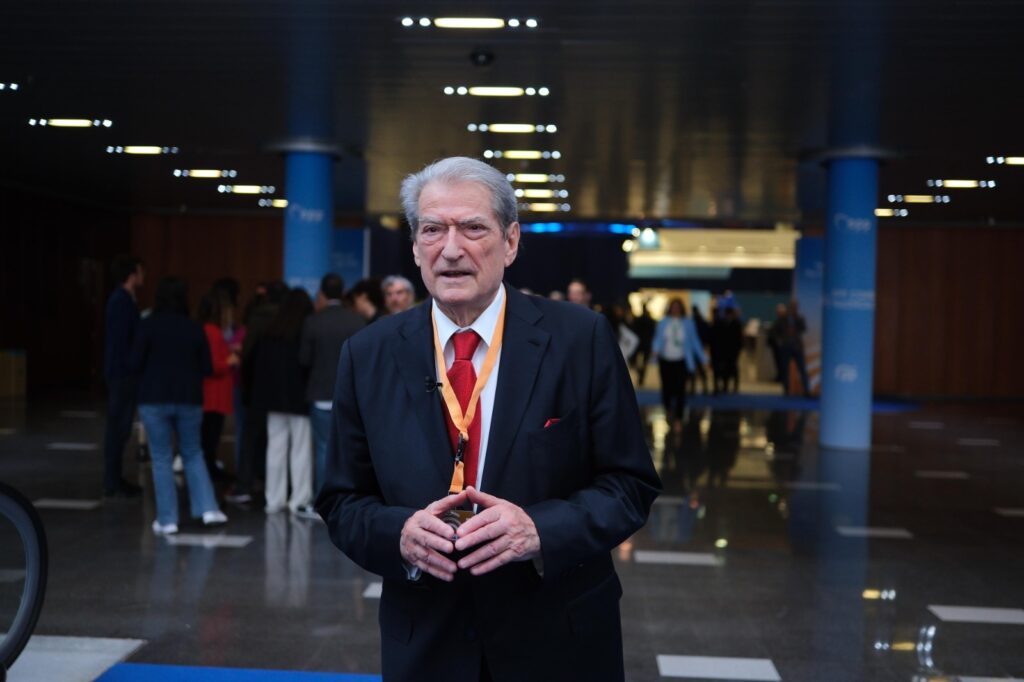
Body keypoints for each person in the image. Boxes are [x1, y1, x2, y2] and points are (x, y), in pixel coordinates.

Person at [316, 157, 660, 682]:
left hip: (558, 642)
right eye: (433, 229)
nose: (451, 249)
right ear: (415, 247)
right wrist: (399, 535)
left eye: (473, 228)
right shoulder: (367, 354)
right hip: (426, 645)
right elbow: (342, 500)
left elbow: (630, 485)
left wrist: (539, 530)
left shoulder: (579, 340)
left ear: (511, 241)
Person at [129, 277, 227, 534]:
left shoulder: (147, 325)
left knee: (161, 457)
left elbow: (134, 363)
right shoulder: (195, 328)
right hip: (189, 398)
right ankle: (208, 508)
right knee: (193, 452)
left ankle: (167, 519)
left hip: (154, 398)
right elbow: (207, 367)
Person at [295, 273, 365, 518]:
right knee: (351, 450)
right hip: (351, 395)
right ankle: (351, 500)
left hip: (321, 394)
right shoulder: (356, 320)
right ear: (343, 292)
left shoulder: (313, 321)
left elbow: (304, 359)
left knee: (323, 449)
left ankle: (322, 503)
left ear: (322, 294)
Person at [249, 287, 314, 514]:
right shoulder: (304, 330)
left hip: (272, 399)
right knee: (300, 450)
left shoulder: (270, 332)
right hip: (299, 399)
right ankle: (299, 498)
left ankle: (273, 499)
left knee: (275, 449)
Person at [102, 255, 145, 499]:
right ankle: (112, 479)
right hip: (122, 373)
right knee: (118, 426)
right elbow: (122, 340)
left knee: (121, 427)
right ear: (132, 275)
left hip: (123, 372)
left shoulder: (124, 300)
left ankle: (114, 478)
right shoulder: (121, 301)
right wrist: (132, 365)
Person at [197, 290, 238, 481]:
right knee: (210, 438)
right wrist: (230, 360)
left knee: (208, 438)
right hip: (214, 394)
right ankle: (209, 473)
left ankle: (209, 469)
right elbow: (213, 364)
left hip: (209, 394)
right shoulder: (213, 332)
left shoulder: (205, 330)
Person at [651, 299, 706, 419]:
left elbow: (695, 341)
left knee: (680, 388)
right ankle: (668, 408)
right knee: (667, 387)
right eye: (673, 307)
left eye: (677, 307)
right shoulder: (663, 322)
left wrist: (703, 359)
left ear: (681, 308)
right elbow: (658, 339)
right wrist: (655, 351)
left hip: (681, 361)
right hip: (665, 361)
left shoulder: (688, 323)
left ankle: (678, 417)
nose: (675, 309)